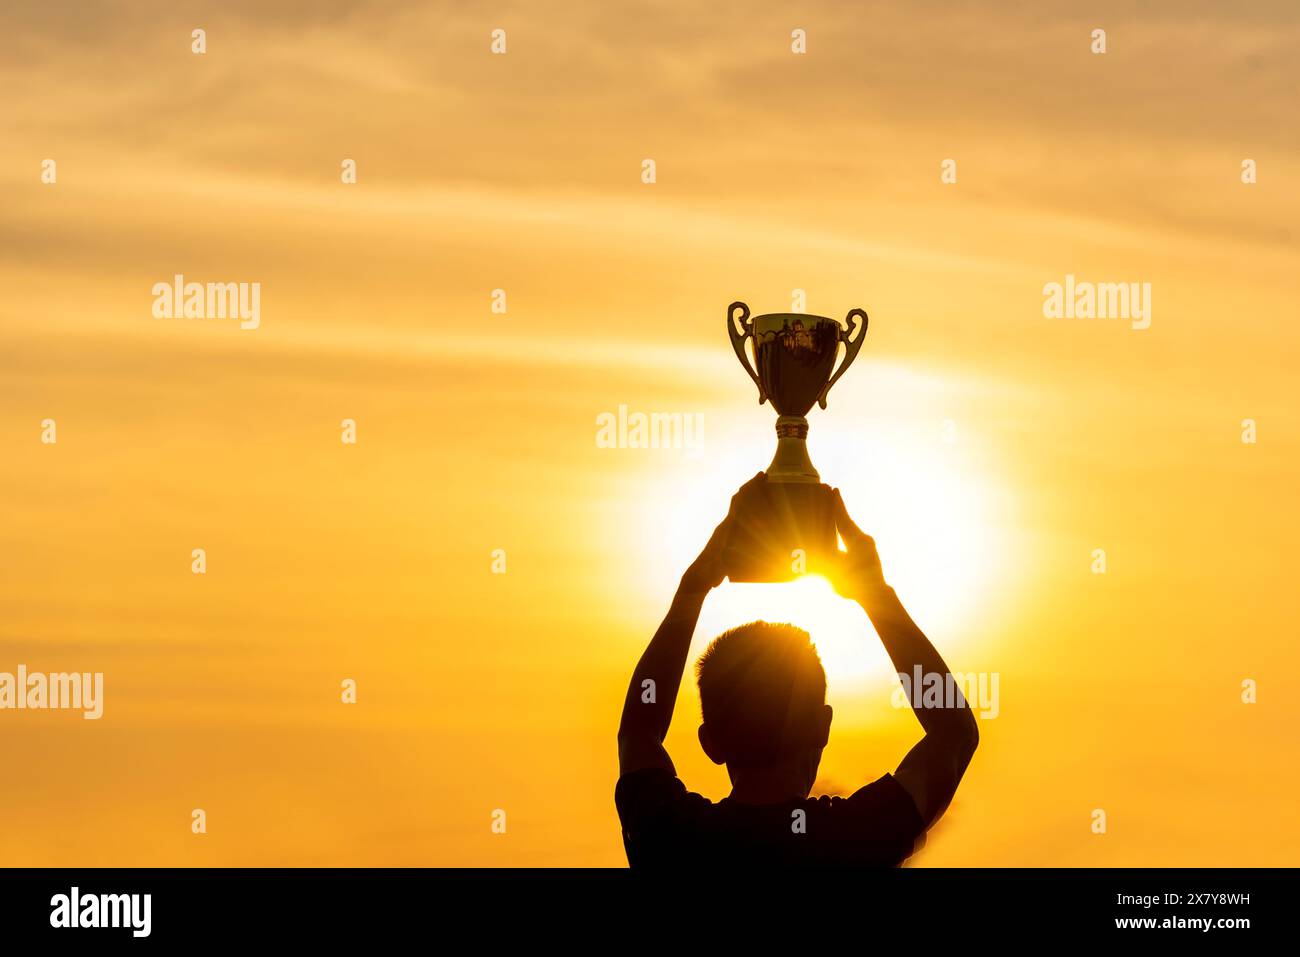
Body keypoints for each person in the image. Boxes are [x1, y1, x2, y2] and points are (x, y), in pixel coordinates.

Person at [615, 474, 979, 867]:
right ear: (824, 726)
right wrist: (875, 595)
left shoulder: (672, 836)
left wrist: (692, 590)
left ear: (711, 742)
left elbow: (638, 731)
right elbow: (954, 736)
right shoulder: (855, 838)